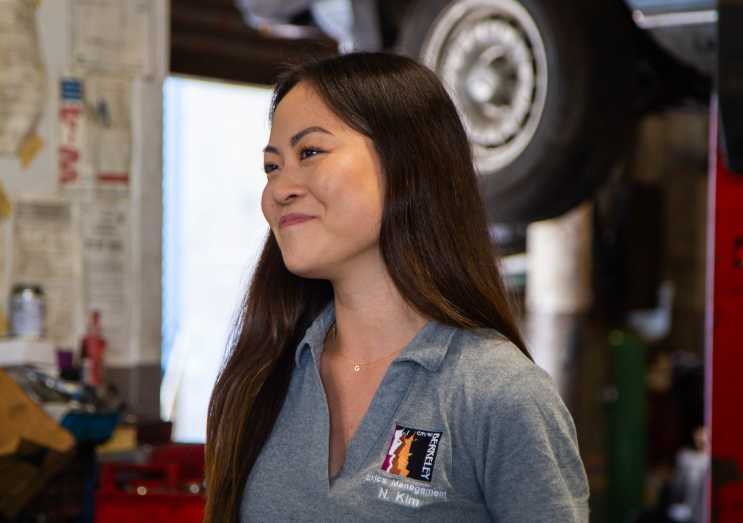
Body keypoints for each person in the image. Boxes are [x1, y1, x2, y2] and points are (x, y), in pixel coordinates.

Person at [204, 52, 589, 522]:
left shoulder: (497, 394)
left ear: (406, 159)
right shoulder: (266, 375)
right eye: (272, 166)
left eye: (309, 153)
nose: (279, 189)